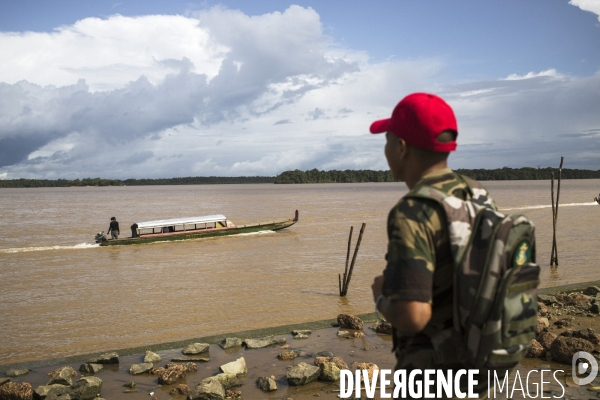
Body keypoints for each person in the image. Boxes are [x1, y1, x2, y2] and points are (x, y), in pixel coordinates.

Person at [369, 92, 497, 398]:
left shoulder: (413, 211)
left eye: (387, 139)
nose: (385, 147)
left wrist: (380, 299)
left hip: (430, 372)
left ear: (401, 147)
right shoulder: (477, 192)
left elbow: (414, 317)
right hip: (477, 358)